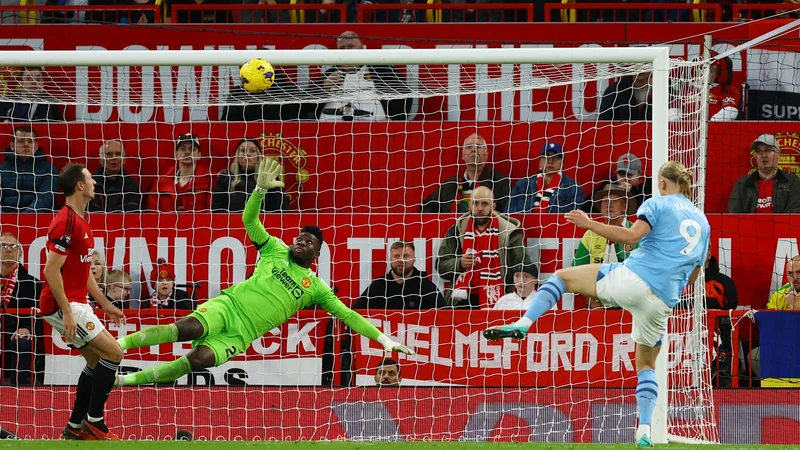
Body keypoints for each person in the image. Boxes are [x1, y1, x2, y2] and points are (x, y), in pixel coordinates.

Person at [115, 159, 414, 387]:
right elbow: (249, 221)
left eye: (308, 241)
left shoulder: (317, 287)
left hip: (243, 333)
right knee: (186, 328)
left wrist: (383, 339)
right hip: (228, 307)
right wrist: (258, 190)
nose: (300, 241)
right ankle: (118, 346)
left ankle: (125, 381)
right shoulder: (275, 249)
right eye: (299, 237)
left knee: (199, 361)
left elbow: (349, 315)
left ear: (317, 254)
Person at [484, 161, 710, 448]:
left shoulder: (658, 204)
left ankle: (522, 322)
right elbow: (693, 277)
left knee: (563, 277)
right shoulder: (703, 222)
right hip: (663, 300)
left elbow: (630, 236)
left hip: (634, 279)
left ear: (663, 184)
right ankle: (643, 430)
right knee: (646, 364)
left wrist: (589, 223)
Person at [39, 163, 125, 440]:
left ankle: (75, 427)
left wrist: (105, 303)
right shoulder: (65, 222)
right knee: (114, 353)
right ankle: (94, 422)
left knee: (97, 361)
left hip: (78, 302)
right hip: (61, 304)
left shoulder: (82, 221)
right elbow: (50, 270)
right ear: (79, 185)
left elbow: (84, 272)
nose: (95, 184)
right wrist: (66, 313)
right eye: (90, 179)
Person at [574, 183, 638, 309]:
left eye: (614, 201)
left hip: (633, 306)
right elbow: (578, 272)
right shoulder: (591, 234)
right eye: (604, 202)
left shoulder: (636, 232)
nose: (609, 205)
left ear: (624, 206)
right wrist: (593, 302)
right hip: (598, 307)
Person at [0, 231, 43, 386]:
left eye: (13, 246)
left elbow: (39, 316)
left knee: (23, 342)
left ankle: (20, 389)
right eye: (3, 245)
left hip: (14, 337)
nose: (8, 249)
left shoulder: (32, 283)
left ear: (20, 253)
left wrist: (27, 329)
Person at [352, 241, 443, 311]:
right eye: (396, 256)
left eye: (406, 256)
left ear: (414, 260)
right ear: (390, 259)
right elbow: (357, 312)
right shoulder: (379, 286)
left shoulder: (427, 288)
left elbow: (446, 317)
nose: (401, 260)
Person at [728, 134, 800, 213]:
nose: (764, 155)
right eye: (759, 151)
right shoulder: (742, 183)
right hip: (749, 225)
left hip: (781, 225)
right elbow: (734, 214)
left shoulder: (792, 181)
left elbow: (795, 212)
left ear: (779, 154)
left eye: (768, 150)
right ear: (755, 156)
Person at [212, 138, 287, 213]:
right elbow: (217, 209)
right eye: (243, 151)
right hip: (232, 223)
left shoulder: (268, 176)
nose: (247, 154)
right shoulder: (225, 177)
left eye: (252, 151)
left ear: (258, 156)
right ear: (237, 156)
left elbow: (280, 208)